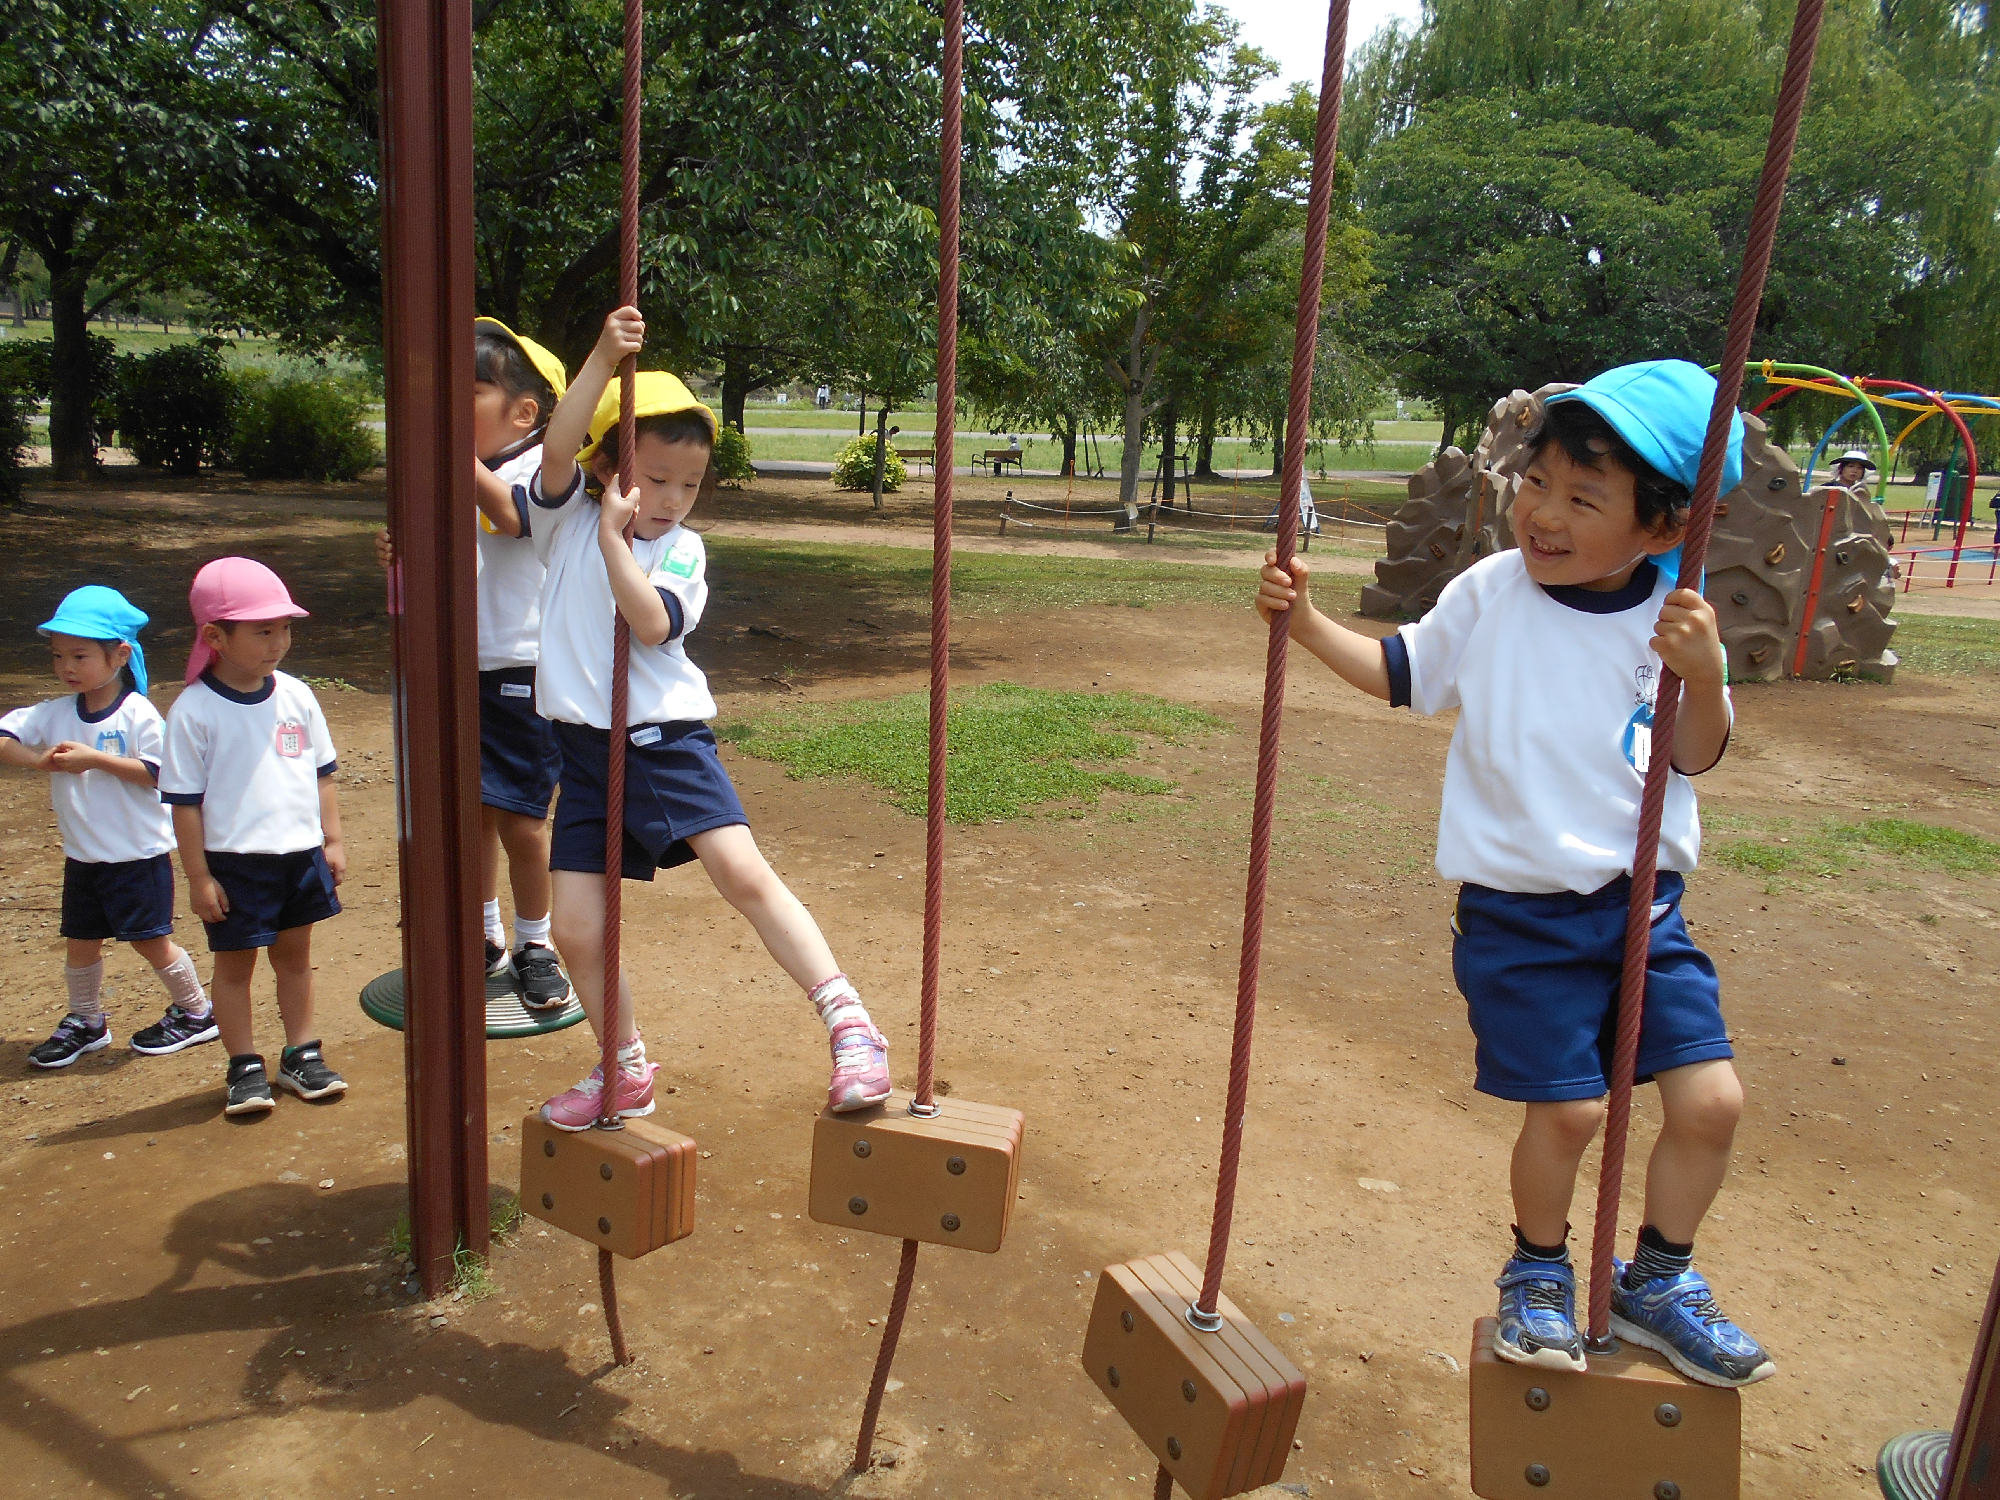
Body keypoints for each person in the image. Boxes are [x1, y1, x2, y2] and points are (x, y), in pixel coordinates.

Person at [1256, 360, 1773, 1389]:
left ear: (1661, 529)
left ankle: (1658, 1280)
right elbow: (1400, 675)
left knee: (1711, 1102)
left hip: (1642, 914)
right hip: (1520, 920)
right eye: (1535, 482)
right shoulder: (1490, 593)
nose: (1542, 513)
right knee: (1571, 1111)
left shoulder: (1674, 617)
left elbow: (1696, 753)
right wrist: (1305, 624)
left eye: (1583, 499)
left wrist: (1703, 674)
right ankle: (1536, 1268)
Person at [525, 305, 892, 1129]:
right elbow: (558, 441)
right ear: (609, 467)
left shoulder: (679, 551)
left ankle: (851, 1027)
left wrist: (623, 544)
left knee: (743, 875)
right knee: (576, 929)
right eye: (655, 479)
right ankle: (624, 1067)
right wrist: (599, 353)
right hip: (581, 751)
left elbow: (650, 625)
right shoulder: (562, 519)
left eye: (690, 485)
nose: (673, 498)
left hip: (663, 740)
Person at [377, 318, 573, 1008]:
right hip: (459, 666)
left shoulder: (542, 467)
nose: (442, 412)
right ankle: (482, 934)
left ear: (524, 412)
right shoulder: (464, 469)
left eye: (465, 397)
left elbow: (514, 521)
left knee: (523, 819)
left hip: (520, 669)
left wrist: (448, 455)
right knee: (470, 816)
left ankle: (536, 941)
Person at [160, 558, 348, 1117]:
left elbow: (323, 772)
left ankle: (301, 1053)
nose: (278, 642)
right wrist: (198, 877)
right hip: (234, 865)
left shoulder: (296, 695)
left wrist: (331, 840)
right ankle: (244, 1064)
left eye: (284, 628)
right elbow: (185, 805)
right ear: (215, 636)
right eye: (262, 630)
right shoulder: (193, 711)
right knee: (235, 967)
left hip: (299, 855)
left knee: (295, 958)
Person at [0, 587, 215, 1068]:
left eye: (79, 655)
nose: (67, 666)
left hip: (137, 855)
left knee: (149, 939)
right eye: (58, 655)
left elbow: (163, 773)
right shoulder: (54, 712)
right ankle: (86, 1020)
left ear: (119, 654)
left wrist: (96, 759)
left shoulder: (136, 713)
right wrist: (39, 761)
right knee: (80, 940)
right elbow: (4, 736)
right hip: (84, 858)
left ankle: (197, 1010)